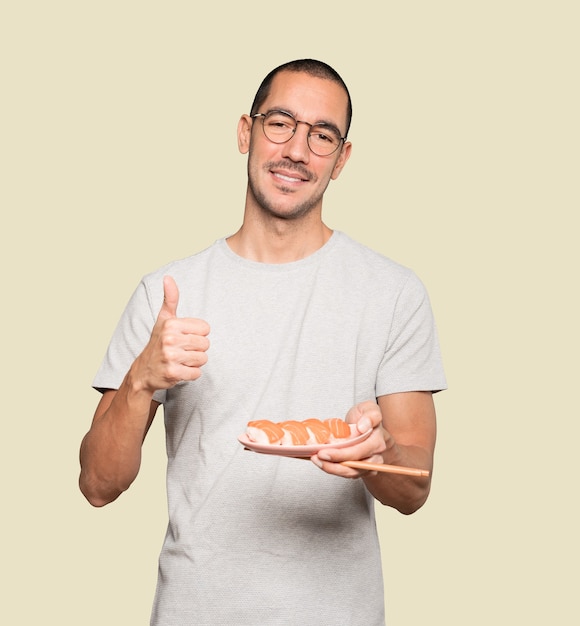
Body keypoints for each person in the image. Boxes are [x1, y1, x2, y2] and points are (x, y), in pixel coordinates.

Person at [79, 58, 447, 625]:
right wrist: (140, 379)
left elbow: (414, 486)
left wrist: (380, 455)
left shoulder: (394, 293)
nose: (297, 149)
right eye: (280, 123)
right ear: (246, 132)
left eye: (322, 135)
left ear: (341, 159)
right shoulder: (166, 293)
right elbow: (98, 485)